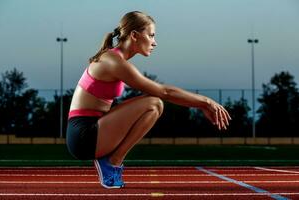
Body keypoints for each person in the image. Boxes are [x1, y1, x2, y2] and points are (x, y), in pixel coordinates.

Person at [66, 11, 231, 189]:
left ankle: (111, 161)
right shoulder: (113, 61)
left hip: (92, 128)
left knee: (153, 103)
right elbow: (164, 92)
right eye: (151, 35)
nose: (155, 42)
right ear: (134, 35)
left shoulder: (115, 58)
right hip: (84, 136)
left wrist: (201, 103)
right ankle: (112, 162)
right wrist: (205, 102)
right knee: (154, 103)